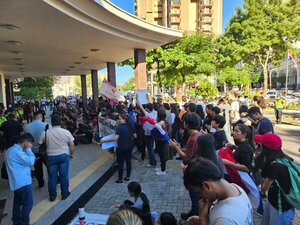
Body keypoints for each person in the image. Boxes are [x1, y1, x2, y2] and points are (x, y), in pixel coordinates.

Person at [184, 157, 253, 225]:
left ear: (207, 185)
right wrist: (208, 220)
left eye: (199, 192)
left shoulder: (225, 219)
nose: (201, 196)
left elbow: (226, 220)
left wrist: (203, 219)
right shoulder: (236, 188)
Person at [254, 133, 295, 225]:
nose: (258, 147)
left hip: (280, 208)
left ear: (266, 148)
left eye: (260, 145)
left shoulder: (275, 166)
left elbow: (264, 189)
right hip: (275, 203)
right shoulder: (284, 159)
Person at [169, 113, 202, 219]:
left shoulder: (193, 138)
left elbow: (186, 157)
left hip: (193, 170)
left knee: (194, 195)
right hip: (196, 168)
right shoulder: (198, 134)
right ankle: (193, 212)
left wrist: (176, 148)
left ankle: (195, 215)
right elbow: (190, 151)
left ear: (186, 124)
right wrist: (180, 147)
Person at [39, 114, 75, 201]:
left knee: (52, 177)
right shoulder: (66, 132)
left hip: (50, 157)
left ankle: (52, 196)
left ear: (51, 122)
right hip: (64, 156)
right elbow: (72, 144)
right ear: (61, 122)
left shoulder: (45, 132)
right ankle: (65, 194)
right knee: (64, 176)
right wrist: (72, 154)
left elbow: (40, 143)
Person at [5, 133, 35, 225]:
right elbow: (31, 162)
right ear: (26, 142)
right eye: (30, 143)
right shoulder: (17, 152)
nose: (31, 145)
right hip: (23, 183)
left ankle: (16, 221)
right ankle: (23, 223)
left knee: (17, 203)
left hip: (16, 183)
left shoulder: (10, 150)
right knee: (27, 204)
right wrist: (29, 150)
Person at [100, 113, 136, 183]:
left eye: (120, 119)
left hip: (121, 147)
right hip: (130, 146)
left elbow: (115, 138)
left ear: (124, 119)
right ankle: (128, 177)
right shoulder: (131, 126)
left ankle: (120, 179)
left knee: (121, 163)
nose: (118, 120)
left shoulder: (120, 128)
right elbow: (135, 136)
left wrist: (104, 140)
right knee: (128, 162)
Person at [24, 111, 51, 188]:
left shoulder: (26, 127)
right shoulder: (47, 125)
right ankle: (53, 181)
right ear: (42, 117)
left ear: (33, 117)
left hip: (33, 151)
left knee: (37, 168)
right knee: (49, 167)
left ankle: (41, 183)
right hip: (45, 150)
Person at [155, 109, 170, 176]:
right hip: (160, 140)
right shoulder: (164, 121)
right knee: (161, 154)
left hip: (162, 140)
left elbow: (156, 126)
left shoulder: (162, 122)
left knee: (162, 155)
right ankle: (162, 167)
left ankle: (163, 170)